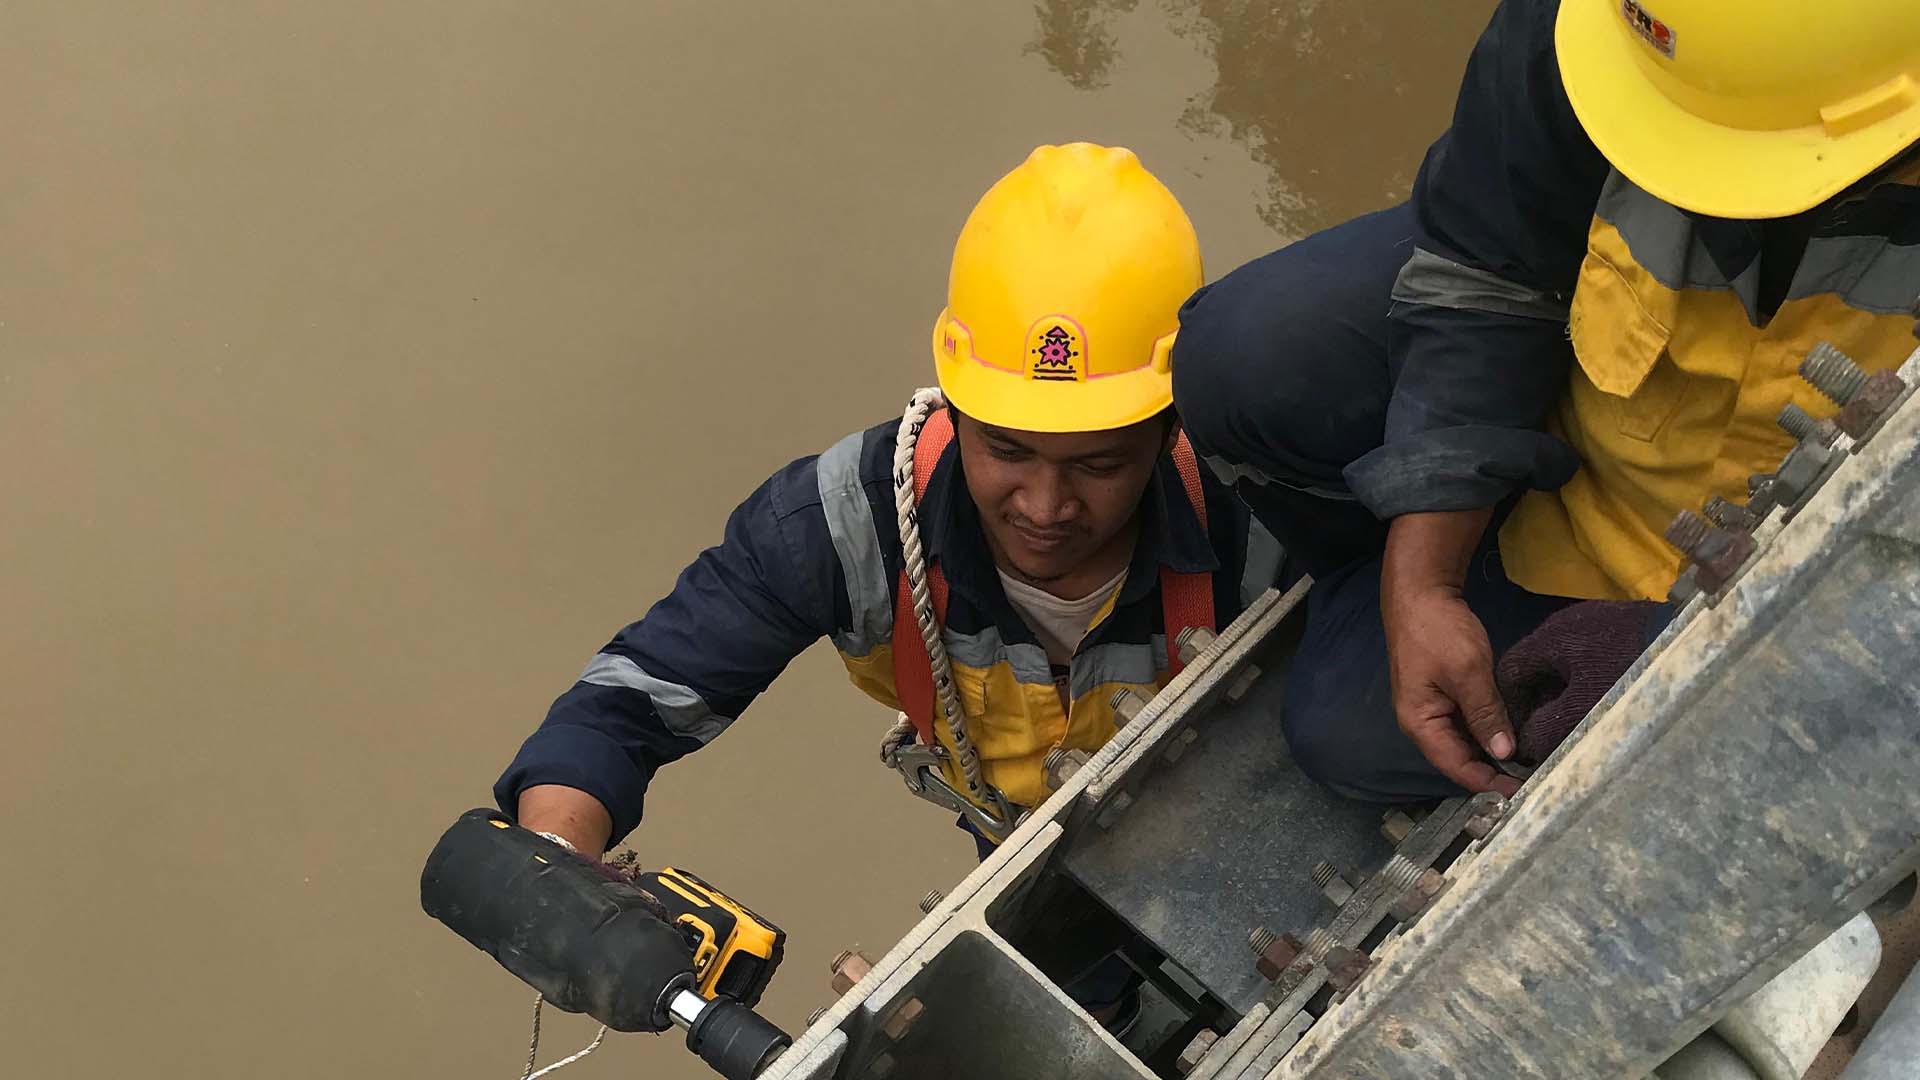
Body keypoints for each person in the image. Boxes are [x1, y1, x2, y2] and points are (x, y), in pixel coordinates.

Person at [492, 142, 1276, 1026]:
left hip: (1249, 815)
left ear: (1170, 415)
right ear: (953, 400)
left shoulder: (1263, 505)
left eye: (1099, 462)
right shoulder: (848, 520)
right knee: (1066, 990)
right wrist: (560, 863)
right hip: (1023, 843)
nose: (1047, 506)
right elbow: (628, 703)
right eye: (1007, 450)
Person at [1171, 0, 1920, 797]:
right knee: (1256, 354)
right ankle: (1410, 566)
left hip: (1821, 574)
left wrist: (1670, 656)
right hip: (1585, 462)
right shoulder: (1594, 24)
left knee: (1347, 735)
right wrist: (1424, 579)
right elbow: (1487, 261)